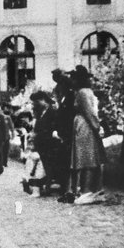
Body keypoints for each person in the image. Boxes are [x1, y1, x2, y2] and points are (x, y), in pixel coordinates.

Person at [68, 65, 107, 205]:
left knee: (87, 157)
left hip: (85, 126)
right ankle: (94, 189)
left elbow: (89, 112)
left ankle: (87, 190)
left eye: (73, 78)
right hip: (86, 125)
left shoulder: (82, 92)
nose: (71, 81)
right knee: (90, 156)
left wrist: (97, 127)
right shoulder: (85, 91)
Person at [52, 70, 77, 202]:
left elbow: (69, 117)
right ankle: (65, 190)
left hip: (68, 135)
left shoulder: (70, 97)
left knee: (67, 163)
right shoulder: (64, 99)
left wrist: (64, 134)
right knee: (63, 162)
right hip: (63, 134)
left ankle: (68, 191)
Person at [30, 91, 58, 194]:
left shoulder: (53, 112)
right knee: (44, 165)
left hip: (49, 145)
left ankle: (47, 185)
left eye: (36, 101)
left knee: (47, 165)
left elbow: (53, 129)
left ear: (43, 100)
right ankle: (44, 184)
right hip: (42, 145)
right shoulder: (40, 113)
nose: (34, 104)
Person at [1, 103, 16, 167]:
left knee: (6, 149)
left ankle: (5, 162)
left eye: (6, 108)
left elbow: (11, 127)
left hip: (7, 136)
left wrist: (13, 134)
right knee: (0, 149)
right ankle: (1, 162)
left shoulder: (8, 118)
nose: (6, 109)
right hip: (0, 137)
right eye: (5, 108)